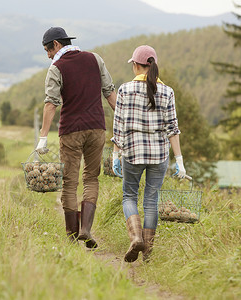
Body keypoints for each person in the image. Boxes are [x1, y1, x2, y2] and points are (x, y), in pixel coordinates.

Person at [36, 27, 117, 248]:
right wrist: (122, 124)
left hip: (71, 131)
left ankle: (72, 238)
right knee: (91, 178)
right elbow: (109, 92)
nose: (48, 55)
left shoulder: (56, 68)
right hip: (97, 129)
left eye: (48, 50)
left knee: (70, 183)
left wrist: (43, 137)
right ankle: (86, 230)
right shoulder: (95, 59)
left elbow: (51, 103)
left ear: (56, 44)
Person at [111, 45, 186, 262]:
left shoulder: (125, 90)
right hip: (159, 155)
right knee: (151, 202)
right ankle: (148, 254)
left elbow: (118, 126)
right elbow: (173, 128)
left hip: (132, 152)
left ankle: (135, 237)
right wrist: (179, 161)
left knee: (129, 196)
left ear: (136, 65)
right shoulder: (168, 91)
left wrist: (116, 154)